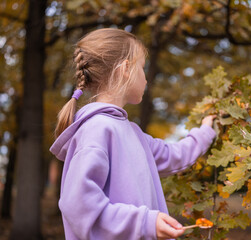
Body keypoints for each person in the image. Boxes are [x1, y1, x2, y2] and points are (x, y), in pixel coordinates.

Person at [50, 28, 216, 240]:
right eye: (142, 68)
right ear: (126, 69)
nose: (146, 78)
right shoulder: (97, 130)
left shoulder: (132, 133)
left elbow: (174, 155)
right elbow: (79, 206)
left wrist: (205, 130)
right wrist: (145, 222)